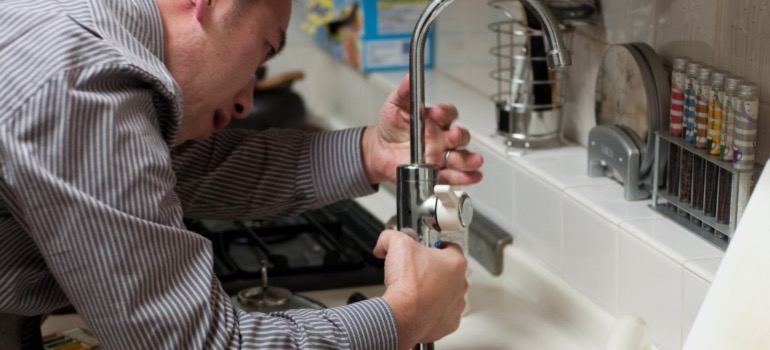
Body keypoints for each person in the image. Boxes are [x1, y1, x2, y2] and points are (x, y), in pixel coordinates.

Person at [0, 0, 484, 349]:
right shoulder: (83, 86)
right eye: (264, 50)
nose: (245, 101)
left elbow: (192, 169)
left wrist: (373, 151)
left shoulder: (78, 30)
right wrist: (404, 317)